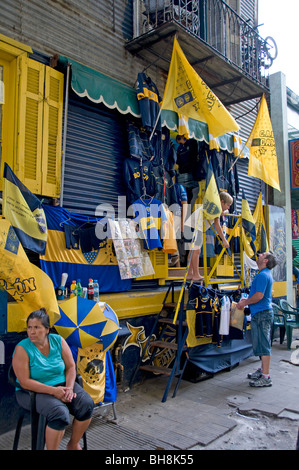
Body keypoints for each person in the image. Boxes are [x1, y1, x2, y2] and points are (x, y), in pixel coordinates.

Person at [12, 308, 94, 450]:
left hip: (62, 384)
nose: (31, 332)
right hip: (31, 391)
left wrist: (69, 388)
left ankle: (73, 444)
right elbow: (24, 381)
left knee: (86, 404)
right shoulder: (22, 348)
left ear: (47, 329)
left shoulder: (58, 341)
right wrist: (53, 391)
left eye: (36, 327)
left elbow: (70, 367)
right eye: (29, 328)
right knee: (60, 414)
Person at [236, 251, 278, 387]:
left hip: (261, 314)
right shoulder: (264, 275)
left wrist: (244, 303)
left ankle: (266, 376)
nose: (259, 255)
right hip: (261, 313)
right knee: (260, 344)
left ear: (265, 261)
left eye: (262, 255)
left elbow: (259, 296)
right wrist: (247, 300)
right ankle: (262, 370)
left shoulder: (262, 276)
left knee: (264, 345)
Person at [186, 191, 233, 281]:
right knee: (196, 251)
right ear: (222, 201)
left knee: (192, 250)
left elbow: (224, 211)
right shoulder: (216, 208)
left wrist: (225, 211)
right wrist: (224, 240)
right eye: (228, 205)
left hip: (193, 225)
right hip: (196, 226)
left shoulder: (215, 204)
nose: (228, 207)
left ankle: (190, 273)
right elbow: (217, 225)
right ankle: (196, 274)